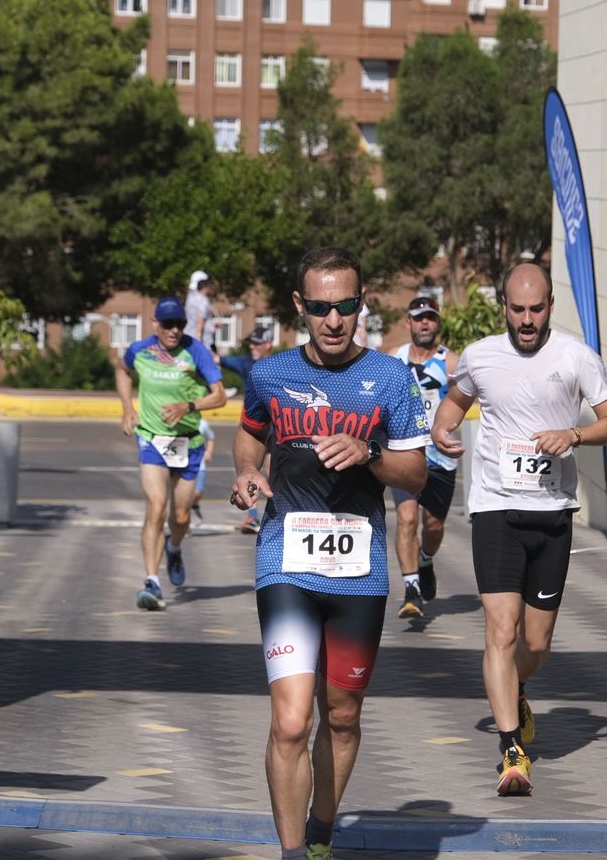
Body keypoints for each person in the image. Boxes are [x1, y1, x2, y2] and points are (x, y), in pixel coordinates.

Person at [230, 246, 428, 860]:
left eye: (345, 306)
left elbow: (417, 474)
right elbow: (249, 433)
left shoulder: (392, 379)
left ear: (361, 303)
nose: (334, 320)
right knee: (291, 721)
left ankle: (320, 830)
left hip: (358, 570)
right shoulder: (270, 375)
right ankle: (293, 854)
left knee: (341, 717)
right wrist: (245, 474)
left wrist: (369, 454)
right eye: (320, 308)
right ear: (301, 307)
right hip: (285, 560)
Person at [431, 262, 607, 796]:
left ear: (551, 306)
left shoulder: (576, 358)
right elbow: (453, 405)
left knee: (535, 644)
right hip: (495, 509)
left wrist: (575, 435)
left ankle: (516, 688)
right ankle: (512, 749)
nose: (526, 319)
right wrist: (441, 430)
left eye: (535, 309)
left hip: (552, 513)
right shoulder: (480, 356)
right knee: (501, 629)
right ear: (504, 309)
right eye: (517, 310)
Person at [115, 295, 228, 611]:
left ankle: (174, 547)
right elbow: (122, 370)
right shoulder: (139, 351)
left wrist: (189, 406)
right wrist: (127, 408)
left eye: (180, 323)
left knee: (180, 515)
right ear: (156, 324)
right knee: (156, 505)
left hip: (189, 442)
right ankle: (151, 581)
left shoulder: (196, 351)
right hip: (152, 439)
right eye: (168, 324)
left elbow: (219, 396)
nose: (175, 330)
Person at [390, 296, 459, 619]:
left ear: (438, 322)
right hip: (404, 453)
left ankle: (426, 559)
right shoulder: (394, 359)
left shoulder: (451, 363)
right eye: (418, 318)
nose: (425, 323)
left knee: (433, 525)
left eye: (430, 317)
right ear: (409, 323)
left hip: (440, 458)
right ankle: (411, 590)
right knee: (405, 520)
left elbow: (469, 400)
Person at [222, 325, 276, 533]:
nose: (252, 346)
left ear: (268, 344)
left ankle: (275, 517)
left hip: (276, 431)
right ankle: (253, 516)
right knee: (250, 473)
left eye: (257, 343)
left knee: (271, 474)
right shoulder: (247, 364)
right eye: (251, 342)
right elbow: (220, 360)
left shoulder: (278, 366)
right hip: (255, 429)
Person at [186, 270, 218, 352]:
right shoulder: (203, 300)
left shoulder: (190, 297)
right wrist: (199, 338)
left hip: (188, 335)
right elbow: (201, 319)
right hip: (203, 340)